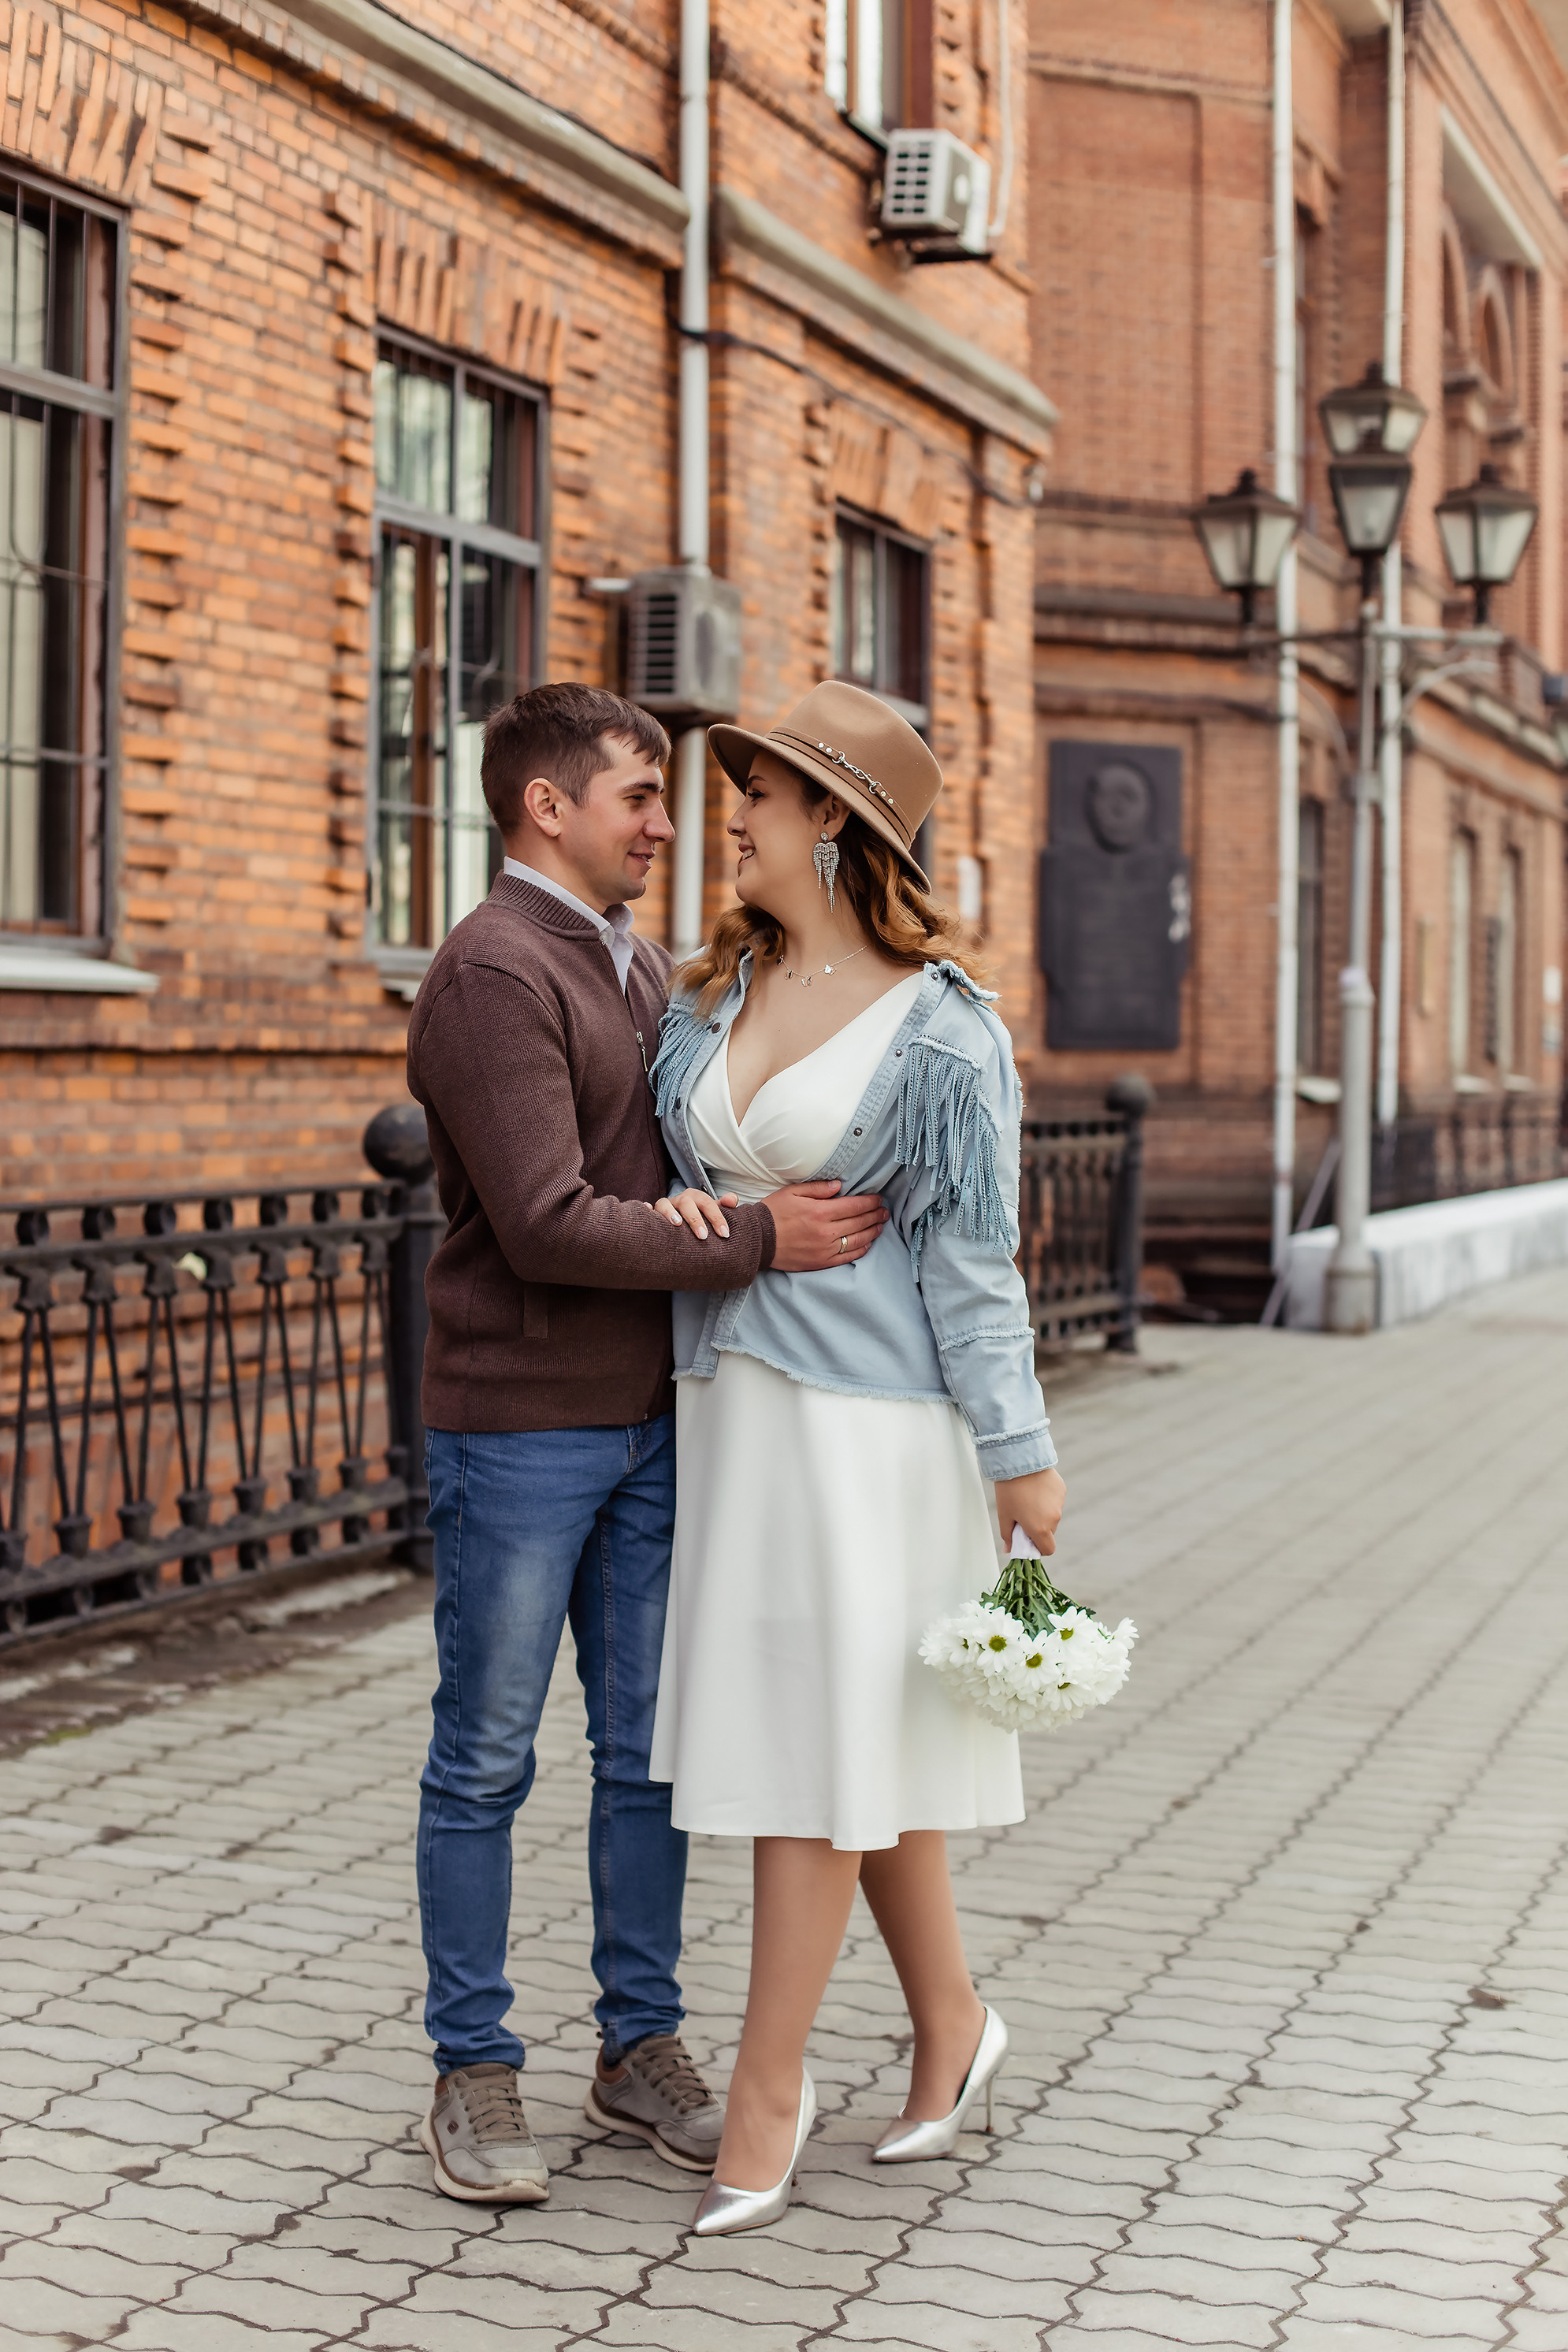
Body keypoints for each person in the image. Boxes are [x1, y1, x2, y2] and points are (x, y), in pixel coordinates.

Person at [403, 682, 888, 2205]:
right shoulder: (494, 970)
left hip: (650, 1419)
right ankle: (473, 2067)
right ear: (546, 806)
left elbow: (650, 1163)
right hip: (524, 1425)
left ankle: (636, 2048)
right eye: (638, 796)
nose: (668, 823)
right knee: (484, 1758)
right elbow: (545, 1223)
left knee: (644, 1759)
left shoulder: (626, 962)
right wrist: (751, 1236)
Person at [645, 678, 1065, 2235]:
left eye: (755, 784)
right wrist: (690, 1217)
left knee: (811, 1764)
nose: (727, 807)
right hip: (737, 1419)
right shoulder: (701, 1001)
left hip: (871, 1440)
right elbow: (669, 1184)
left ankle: (770, 2081)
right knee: (847, 1745)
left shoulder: (941, 1032)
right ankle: (951, 2019)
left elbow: (970, 1264)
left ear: (833, 818)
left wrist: (1017, 1454)